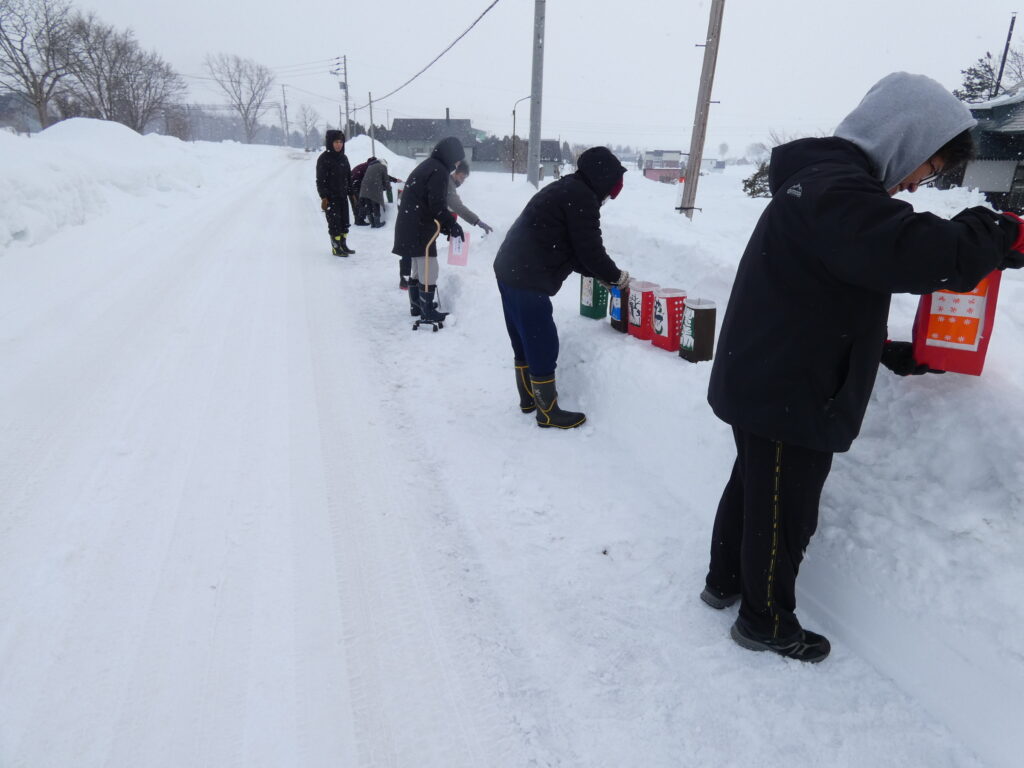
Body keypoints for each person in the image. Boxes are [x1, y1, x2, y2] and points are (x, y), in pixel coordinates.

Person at [701, 72, 1024, 663]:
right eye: (928, 166)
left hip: (769, 372)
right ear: (906, 137)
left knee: (752, 487)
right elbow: (928, 254)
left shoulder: (820, 186)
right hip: (791, 388)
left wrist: (887, 350)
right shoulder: (838, 192)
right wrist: (998, 231)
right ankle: (764, 622)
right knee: (783, 512)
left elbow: (820, 293)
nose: (917, 183)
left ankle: (724, 583)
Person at [493, 146, 630, 429]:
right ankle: (547, 411)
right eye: (611, 191)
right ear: (603, 179)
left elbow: (571, 249)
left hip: (511, 268)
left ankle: (528, 399)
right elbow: (590, 251)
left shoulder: (568, 189)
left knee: (523, 337)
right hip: (527, 274)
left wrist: (600, 274)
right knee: (542, 340)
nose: (608, 198)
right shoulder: (581, 197)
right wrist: (616, 277)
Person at [392, 136, 465, 320]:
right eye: (457, 159)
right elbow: (436, 205)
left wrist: (447, 226)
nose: (457, 164)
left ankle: (417, 305)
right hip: (419, 226)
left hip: (410, 222)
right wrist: (452, 225)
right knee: (429, 267)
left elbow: (429, 202)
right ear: (451, 155)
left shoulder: (429, 165)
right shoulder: (439, 170)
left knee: (418, 265)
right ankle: (427, 311)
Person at [315, 130, 355, 256]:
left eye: (341, 142)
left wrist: (351, 193)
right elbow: (320, 180)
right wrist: (324, 197)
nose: (339, 145)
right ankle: (336, 247)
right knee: (334, 224)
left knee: (345, 223)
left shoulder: (344, 158)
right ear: (330, 143)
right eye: (336, 142)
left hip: (343, 196)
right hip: (331, 198)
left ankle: (343, 245)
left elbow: (348, 177)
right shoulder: (324, 159)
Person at [447, 161, 493, 235]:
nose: (462, 181)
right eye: (461, 177)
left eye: (464, 179)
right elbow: (458, 207)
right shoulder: (449, 184)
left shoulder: (449, 182)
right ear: (455, 172)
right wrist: (478, 222)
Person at [359, 157, 401, 228]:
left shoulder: (370, 166)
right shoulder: (383, 166)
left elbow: (374, 177)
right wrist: (388, 188)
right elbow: (386, 179)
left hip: (364, 188)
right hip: (374, 188)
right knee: (376, 203)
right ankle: (377, 223)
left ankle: (372, 223)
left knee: (368, 205)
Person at [349, 158, 371, 226]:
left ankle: (357, 220)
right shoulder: (367, 167)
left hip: (350, 186)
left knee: (355, 203)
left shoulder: (363, 166)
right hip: (355, 186)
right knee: (361, 202)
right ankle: (360, 221)